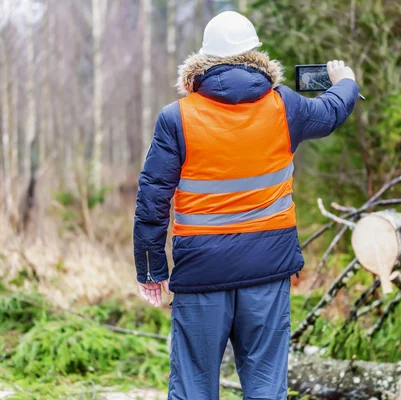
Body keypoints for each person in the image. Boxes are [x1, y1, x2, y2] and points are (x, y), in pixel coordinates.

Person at [133, 10, 359, 400]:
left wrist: (152, 268)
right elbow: (331, 111)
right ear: (256, 55)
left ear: (202, 61)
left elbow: (152, 198)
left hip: (202, 274)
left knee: (193, 387)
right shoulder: (284, 106)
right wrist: (346, 82)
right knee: (267, 388)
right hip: (268, 272)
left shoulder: (177, 118)